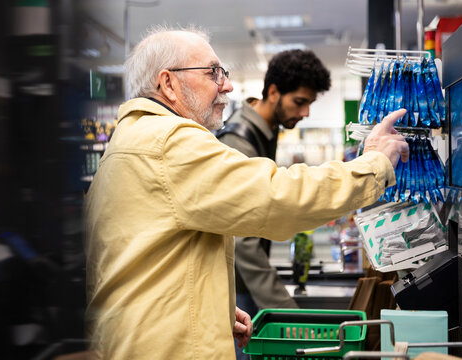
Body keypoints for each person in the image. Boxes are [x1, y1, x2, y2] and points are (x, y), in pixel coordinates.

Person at [83, 25, 409, 360]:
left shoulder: (128, 143)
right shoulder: (169, 143)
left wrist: (212, 310)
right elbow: (278, 197)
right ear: (168, 83)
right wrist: (373, 164)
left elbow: (144, 261)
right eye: (213, 73)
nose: (227, 85)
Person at [216, 50, 330, 359]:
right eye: (299, 102)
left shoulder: (265, 129)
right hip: (240, 287)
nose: (305, 112)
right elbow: (243, 241)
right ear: (273, 93)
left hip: (248, 282)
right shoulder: (239, 142)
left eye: (310, 103)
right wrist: (288, 313)